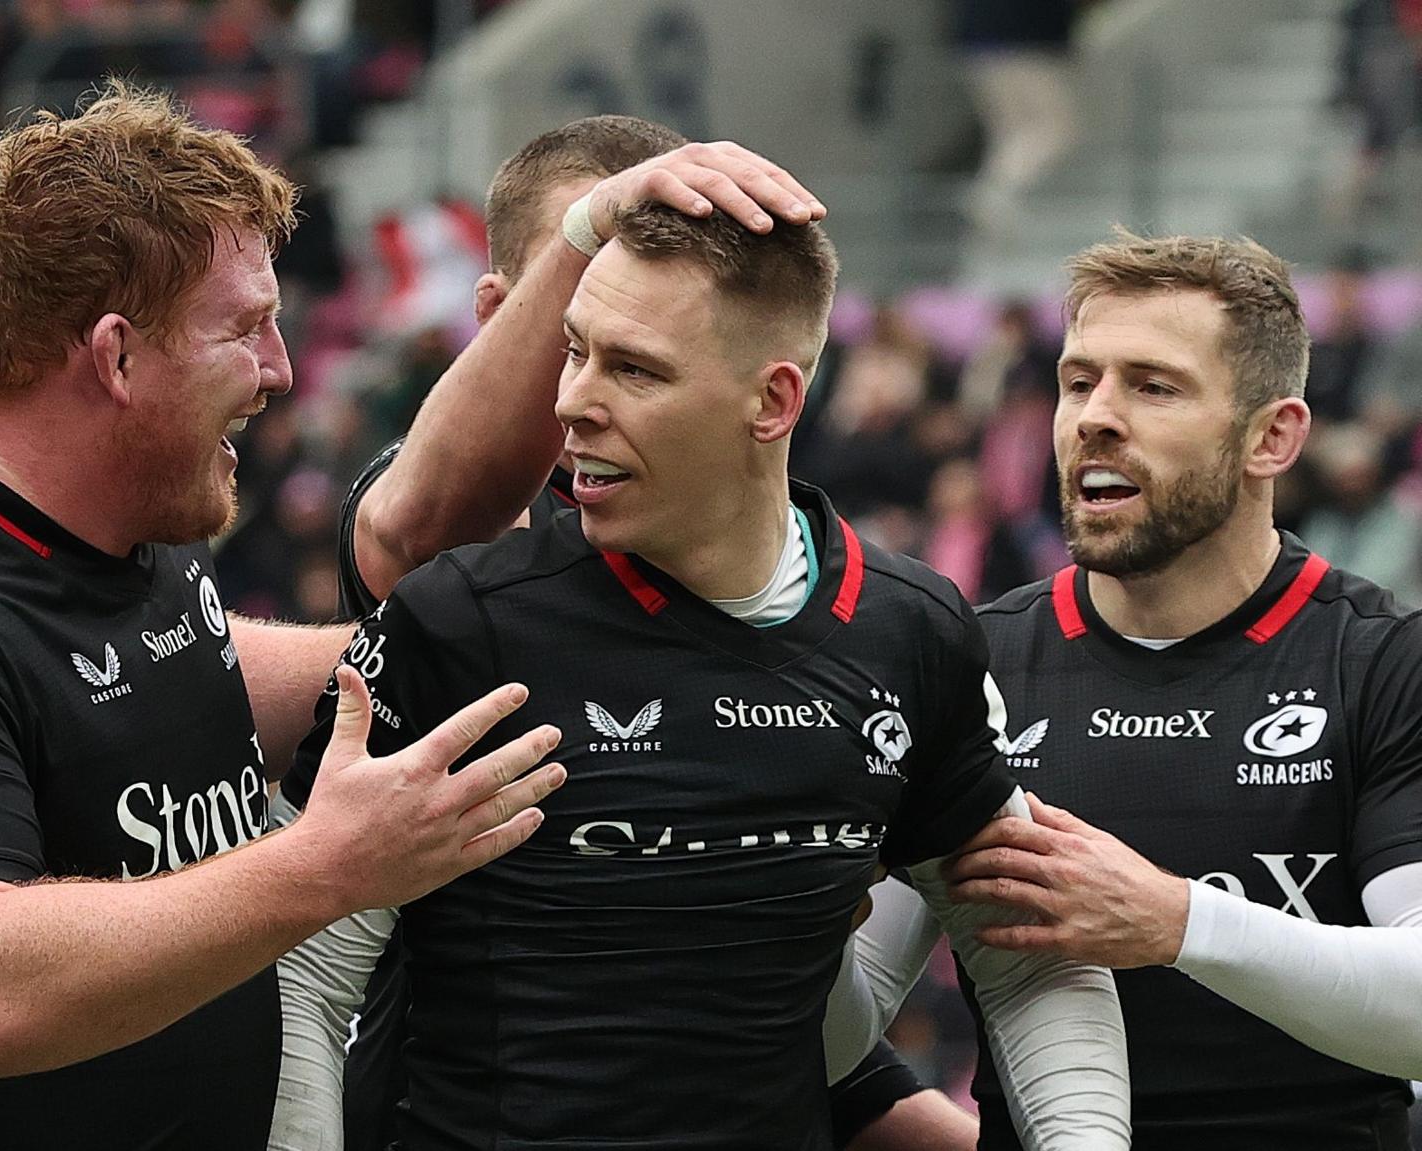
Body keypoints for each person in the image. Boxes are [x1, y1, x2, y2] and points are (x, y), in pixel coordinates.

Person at [0, 84, 619, 1151]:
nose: (279, 370)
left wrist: (439, 655)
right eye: (246, 329)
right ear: (116, 356)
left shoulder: (106, 500)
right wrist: (325, 864)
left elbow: (162, 671)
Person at [268, 203, 1131, 1150]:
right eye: (576, 352)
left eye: (633, 369)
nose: (572, 401)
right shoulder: (461, 622)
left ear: (773, 402)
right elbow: (301, 974)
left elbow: (1025, 949)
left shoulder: (909, 630)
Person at [335, 115, 976, 1151]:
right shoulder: (460, 586)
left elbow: (789, 1021)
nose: (575, 395)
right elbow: (406, 529)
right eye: (571, 326)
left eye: (634, 355)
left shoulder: (886, 616)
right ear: (510, 317)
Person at [930, 231, 1422, 1148]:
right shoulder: (966, 662)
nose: (1095, 418)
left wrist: (1175, 920)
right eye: (1081, 382)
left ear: (1272, 436)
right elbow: (844, 1010)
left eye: (1153, 385)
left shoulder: (1383, 662)